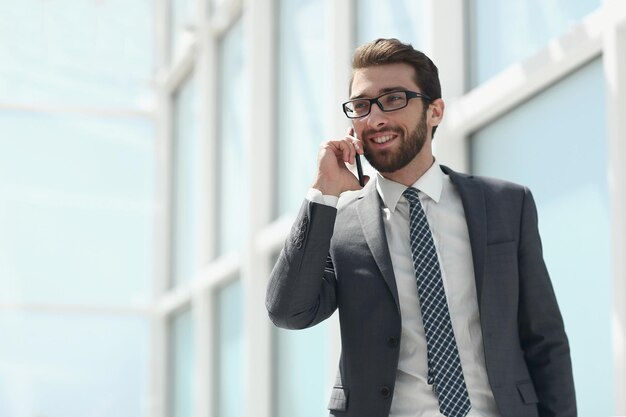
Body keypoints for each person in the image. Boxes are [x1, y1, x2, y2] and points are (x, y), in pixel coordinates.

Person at [265, 38, 576, 417]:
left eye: (393, 98)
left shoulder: (506, 205)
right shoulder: (340, 223)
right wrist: (322, 191)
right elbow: (288, 312)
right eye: (361, 106)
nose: (375, 118)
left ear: (435, 111)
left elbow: (545, 341)